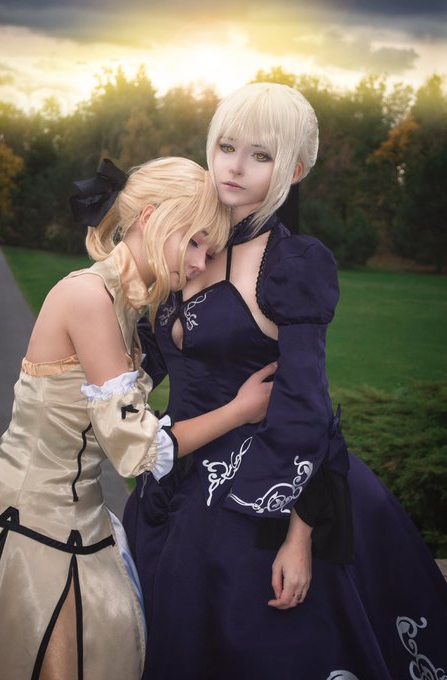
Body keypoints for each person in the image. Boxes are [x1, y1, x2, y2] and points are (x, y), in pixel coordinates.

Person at [123, 84, 447, 680]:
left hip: (260, 493)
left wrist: (299, 535)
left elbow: (305, 407)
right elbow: (139, 364)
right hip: (172, 474)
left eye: (261, 155)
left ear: (294, 170)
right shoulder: (185, 242)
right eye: (226, 147)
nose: (235, 166)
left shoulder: (293, 264)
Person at [0, 156, 276, 680]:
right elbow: (136, 449)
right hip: (27, 523)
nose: (199, 262)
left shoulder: (124, 305)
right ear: (150, 218)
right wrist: (241, 409)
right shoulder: (87, 296)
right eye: (195, 242)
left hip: (79, 517)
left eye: (209, 250)